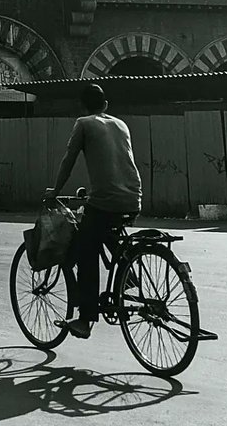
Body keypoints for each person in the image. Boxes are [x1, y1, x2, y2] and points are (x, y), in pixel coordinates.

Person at [50, 82, 142, 340]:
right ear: (106, 105)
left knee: (84, 250)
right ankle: (127, 273)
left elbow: (69, 159)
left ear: (84, 106)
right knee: (105, 229)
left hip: (105, 201)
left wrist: (55, 191)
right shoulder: (121, 124)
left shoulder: (84, 123)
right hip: (134, 199)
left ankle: (85, 319)